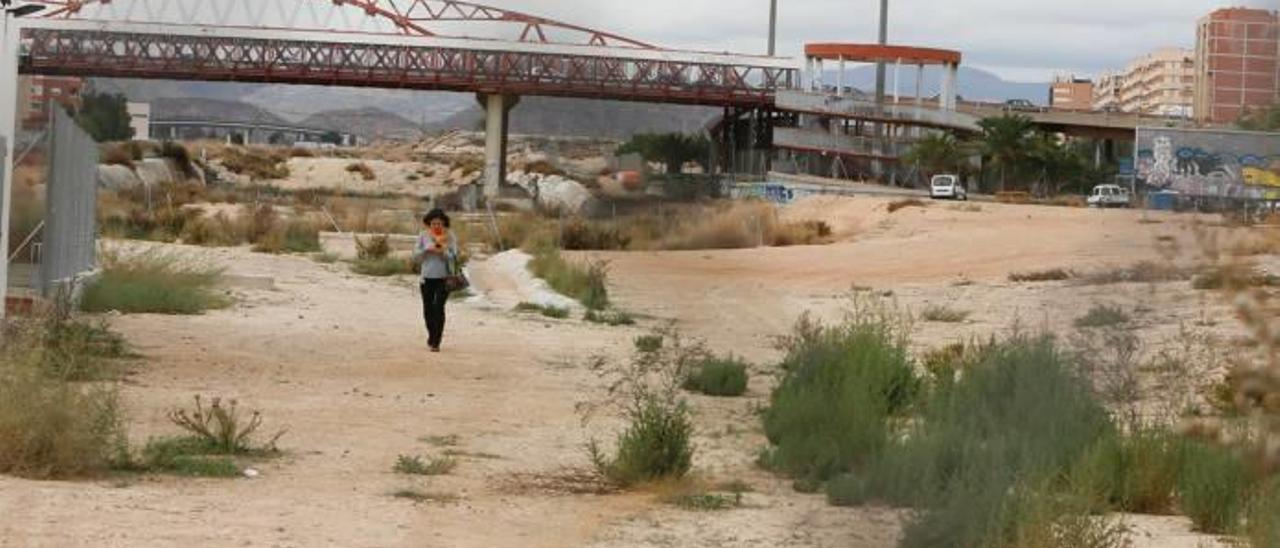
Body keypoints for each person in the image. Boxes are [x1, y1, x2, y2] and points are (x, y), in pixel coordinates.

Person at [413, 209, 458, 352]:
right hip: (426, 278)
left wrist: (443, 252)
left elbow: (455, 256)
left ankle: (437, 341)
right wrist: (427, 250)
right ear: (428, 224)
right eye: (433, 223)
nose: (436, 226)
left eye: (439, 223)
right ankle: (431, 335)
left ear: (444, 223)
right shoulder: (423, 236)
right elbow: (415, 256)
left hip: (444, 278)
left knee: (439, 307)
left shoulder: (450, 236)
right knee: (428, 309)